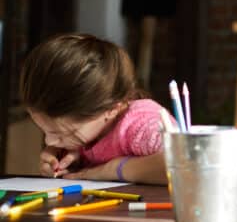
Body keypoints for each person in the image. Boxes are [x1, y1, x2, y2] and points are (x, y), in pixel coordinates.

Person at [20, 33, 169, 184]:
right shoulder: (88, 130)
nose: (50, 141)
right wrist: (64, 160)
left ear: (111, 109)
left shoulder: (141, 125)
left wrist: (114, 169)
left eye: (62, 132)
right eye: (45, 130)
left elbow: (185, 165)